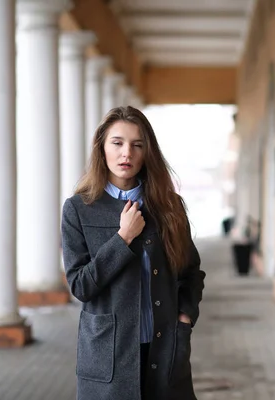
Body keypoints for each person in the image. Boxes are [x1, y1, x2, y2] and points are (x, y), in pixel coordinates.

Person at [61, 106, 206, 400]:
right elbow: (80, 285)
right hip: (108, 356)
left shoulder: (169, 207)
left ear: (147, 152)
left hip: (164, 349)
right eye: (117, 143)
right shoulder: (78, 209)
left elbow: (191, 273)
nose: (126, 153)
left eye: (137, 145)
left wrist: (184, 318)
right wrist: (122, 238)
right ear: (101, 148)